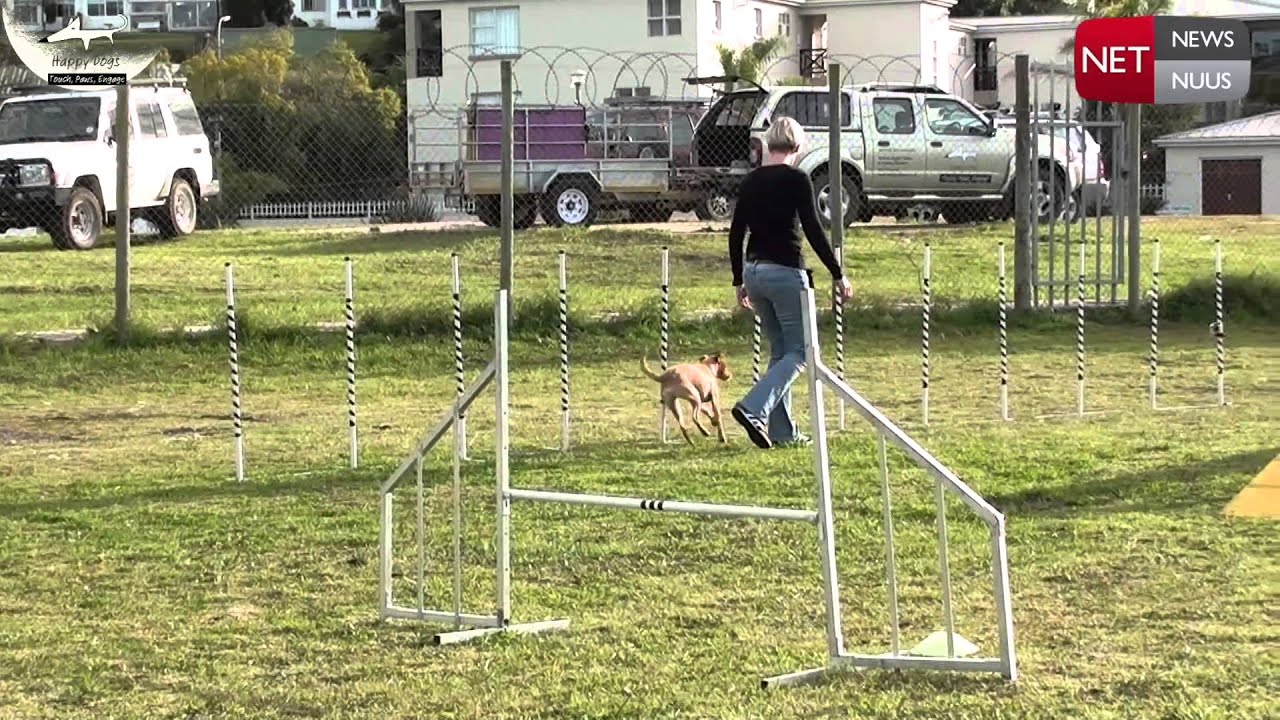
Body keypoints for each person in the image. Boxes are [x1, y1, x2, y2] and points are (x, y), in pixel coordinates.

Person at [727, 116, 853, 450]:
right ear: (797, 146)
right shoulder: (797, 179)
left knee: (781, 351)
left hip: (754, 272)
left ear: (768, 144)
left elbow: (736, 232)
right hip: (785, 272)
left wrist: (739, 279)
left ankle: (783, 432)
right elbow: (812, 228)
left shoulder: (751, 180)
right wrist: (837, 273)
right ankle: (753, 408)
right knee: (801, 352)